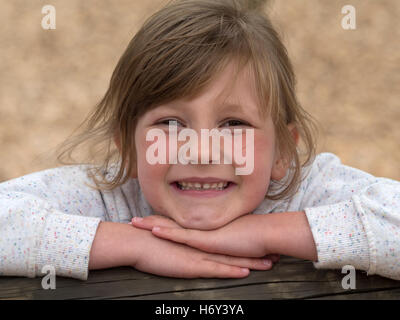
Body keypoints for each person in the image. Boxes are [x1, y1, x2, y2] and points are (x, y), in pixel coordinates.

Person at [1, 0, 399, 281]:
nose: (202, 150)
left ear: (283, 151)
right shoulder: (111, 197)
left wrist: (266, 233)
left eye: (233, 123)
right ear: (130, 148)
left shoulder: (301, 191)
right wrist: (133, 245)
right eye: (171, 123)